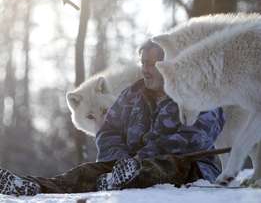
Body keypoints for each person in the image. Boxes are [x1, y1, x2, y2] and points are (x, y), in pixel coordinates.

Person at [0, 40, 225, 196]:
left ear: (169, 65)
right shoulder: (132, 94)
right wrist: (118, 159)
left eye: (151, 65)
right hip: (127, 165)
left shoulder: (198, 93)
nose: (145, 70)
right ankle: (31, 186)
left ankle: (122, 177)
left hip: (191, 168)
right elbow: (108, 131)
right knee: (85, 172)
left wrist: (139, 159)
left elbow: (195, 139)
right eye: (143, 63)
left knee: (159, 168)